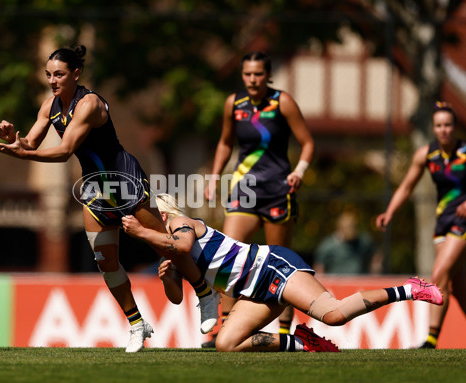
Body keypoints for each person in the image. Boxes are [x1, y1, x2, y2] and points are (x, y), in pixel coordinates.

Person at [0, 45, 219, 352]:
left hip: (125, 183)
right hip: (95, 191)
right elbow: (31, 141)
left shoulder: (89, 105)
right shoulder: (49, 106)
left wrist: (24, 153)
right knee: (106, 261)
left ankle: (205, 294)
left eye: (59, 74)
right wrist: (14, 140)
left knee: (166, 247)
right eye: (48, 75)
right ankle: (138, 324)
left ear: (76, 73)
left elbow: (64, 151)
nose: (52, 80)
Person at [122, 193, 443, 352]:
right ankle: (302, 342)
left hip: (271, 267)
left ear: (162, 213)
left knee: (332, 314)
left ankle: (410, 289)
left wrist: (139, 232)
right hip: (253, 291)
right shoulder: (169, 247)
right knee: (226, 344)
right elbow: (177, 299)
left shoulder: (179, 224)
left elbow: (184, 243)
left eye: (150, 216)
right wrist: (167, 279)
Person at [203, 51, 315, 347]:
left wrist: (300, 172)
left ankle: (285, 331)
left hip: (279, 191)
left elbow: (308, 143)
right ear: (243, 76)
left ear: (268, 76)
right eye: (248, 74)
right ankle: (225, 328)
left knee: (283, 264)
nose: (253, 80)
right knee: (225, 257)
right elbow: (225, 142)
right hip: (246, 189)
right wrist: (214, 176)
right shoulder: (234, 104)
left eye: (258, 74)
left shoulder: (283, 102)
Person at [376, 101, 466, 349]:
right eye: (439, 125)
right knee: (456, 287)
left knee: (438, 275)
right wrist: (390, 212)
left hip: (463, 223)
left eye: (448, 125)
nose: (444, 130)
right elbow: (406, 187)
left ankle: (430, 339)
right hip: (442, 223)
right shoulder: (427, 154)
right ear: (433, 128)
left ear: (455, 127)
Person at [314, 211, 382, 274]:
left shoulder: (363, 241)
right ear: (339, 228)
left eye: (354, 227)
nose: (352, 230)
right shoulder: (328, 245)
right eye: (349, 227)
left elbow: (376, 255)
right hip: (336, 284)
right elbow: (319, 268)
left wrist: (375, 271)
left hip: (360, 283)